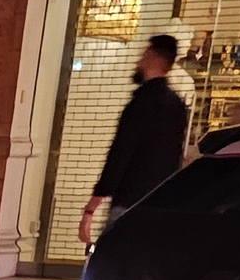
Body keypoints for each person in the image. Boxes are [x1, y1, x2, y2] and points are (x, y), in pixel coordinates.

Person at [79, 33, 189, 245]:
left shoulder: (141, 103)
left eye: (143, 54)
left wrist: (93, 204)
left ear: (151, 56)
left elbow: (121, 152)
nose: (138, 61)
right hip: (158, 203)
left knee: (109, 266)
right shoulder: (177, 105)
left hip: (129, 200)